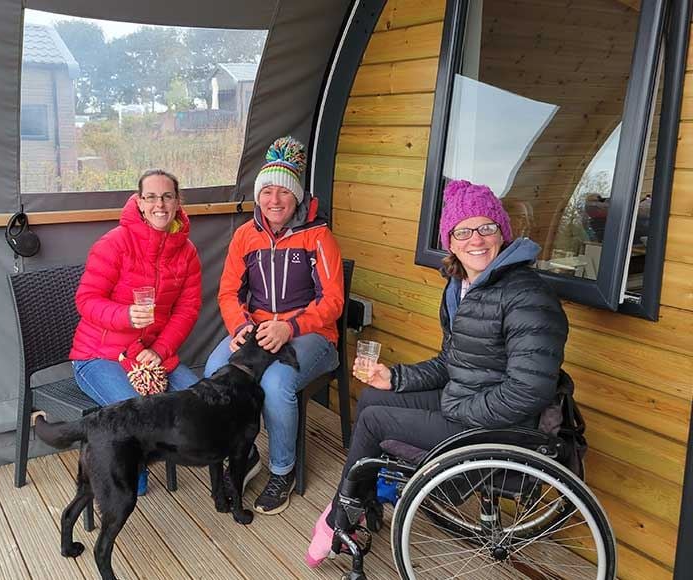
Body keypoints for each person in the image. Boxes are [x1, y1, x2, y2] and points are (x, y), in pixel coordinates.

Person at [305, 179, 569, 566]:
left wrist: (458, 412)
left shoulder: (527, 295)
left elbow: (527, 392)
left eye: (486, 228)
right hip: (467, 398)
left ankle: (340, 515)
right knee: (376, 397)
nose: (475, 240)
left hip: (501, 423)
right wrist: (394, 378)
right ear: (451, 241)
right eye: (463, 231)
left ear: (503, 233)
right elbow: (451, 362)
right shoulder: (463, 286)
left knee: (376, 421)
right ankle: (365, 497)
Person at [204, 136, 345, 515]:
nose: (275, 199)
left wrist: (291, 328)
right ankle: (245, 453)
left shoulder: (318, 236)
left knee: (275, 382)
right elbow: (228, 293)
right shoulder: (245, 236)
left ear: (297, 196)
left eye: (283, 191)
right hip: (257, 328)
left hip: (312, 334)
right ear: (258, 196)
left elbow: (333, 301)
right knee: (214, 370)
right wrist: (239, 327)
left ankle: (282, 469)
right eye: (267, 190)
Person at [70, 169, 202, 495]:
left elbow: (187, 311)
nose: (160, 204)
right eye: (152, 197)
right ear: (140, 202)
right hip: (98, 356)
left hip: (152, 354)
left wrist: (158, 351)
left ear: (177, 201)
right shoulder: (115, 243)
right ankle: (130, 473)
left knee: (199, 401)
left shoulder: (186, 253)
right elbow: (86, 301)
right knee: (136, 411)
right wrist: (126, 315)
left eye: (167, 196)